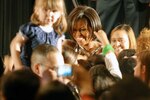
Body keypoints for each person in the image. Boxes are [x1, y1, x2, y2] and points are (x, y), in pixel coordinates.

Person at [10, 0, 67, 70]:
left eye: (54, 11)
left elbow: (59, 54)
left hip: (46, 72)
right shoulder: (31, 29)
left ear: (60, 13)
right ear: (36, 10)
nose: (50, 14)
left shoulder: (57, 33)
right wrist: (18, 66)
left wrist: (62, 72)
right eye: (45, 10)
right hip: (29, 71)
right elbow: (15, 44)